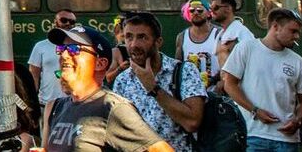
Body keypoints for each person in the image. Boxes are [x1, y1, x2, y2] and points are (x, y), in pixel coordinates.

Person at [40, 22, 173, 152]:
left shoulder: (112, 107)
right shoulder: (55, 107)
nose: (64, 55)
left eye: (74, 49)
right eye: (62, 49)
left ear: (100, 63)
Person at [111, 12, 205, 152]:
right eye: (129, 37)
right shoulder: (123, 80)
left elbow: (192, 122)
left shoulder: (183, 71)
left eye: (142, 37)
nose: (134, 44)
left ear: (158, 42)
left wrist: (153, 88)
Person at [220, 7, 302, 152]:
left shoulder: (298, 62)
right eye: (293, 31)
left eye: (299, 32)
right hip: (253, 134)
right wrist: (254, 110)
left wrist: (297, 120)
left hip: (286, 139)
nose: (297, 36)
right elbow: (229, 84)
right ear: (275, 27)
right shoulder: (246, 48)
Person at [30, 9, 78, 115]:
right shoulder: (41, 46)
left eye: (72, 22)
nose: (68, 24)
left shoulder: (80, 46)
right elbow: (34, 77)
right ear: (55, 22)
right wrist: (31, 102)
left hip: (73, 103)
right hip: (46, 104)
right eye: (64, 20)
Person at [173, 0, 222, 89]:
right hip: (191, 91)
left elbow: (228, 65)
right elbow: (178, 65)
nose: (195, 13)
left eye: (200, 10)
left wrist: (216, 81)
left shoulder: (219, 34)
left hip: (215, 91)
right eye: (191, 11)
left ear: (208, 13)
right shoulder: (182, 37)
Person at [210, 0, 255, 76]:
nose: (212, 11)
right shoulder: (220, 34)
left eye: (215, 8)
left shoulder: (241, 33)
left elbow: (252, 61)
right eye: (211, 8)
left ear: (228, 9)